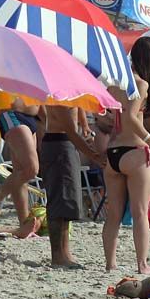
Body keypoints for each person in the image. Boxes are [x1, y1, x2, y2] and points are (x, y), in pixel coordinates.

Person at [102, 37, 150, 275]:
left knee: (114, 214)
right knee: (140, 211)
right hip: (134, 151)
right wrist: (149, 139)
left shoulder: (116, 83)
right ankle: (142, 264)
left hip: (113, 152)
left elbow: (109, 115)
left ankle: (110, 264)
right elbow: (130, 116)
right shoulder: (141, 84)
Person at [40, 106, 102, 268]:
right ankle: (57, 256)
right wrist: (92, 154)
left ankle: (65, 252)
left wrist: (85, 126)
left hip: (65, 143)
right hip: (59, 143)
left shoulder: (69, 92)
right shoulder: (59, 95)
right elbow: (70, 129)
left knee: (67, 201)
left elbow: (75, 117)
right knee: (59, 201)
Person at [0, 98, 40, 226]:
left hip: (32, 117)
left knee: (20, 172)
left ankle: (24, 222)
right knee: (31, 169)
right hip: (12, 114)